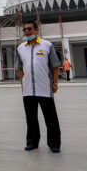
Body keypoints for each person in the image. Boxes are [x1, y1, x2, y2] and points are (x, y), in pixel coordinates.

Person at [16, 21, 61, 152]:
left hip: (45, 88)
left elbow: (55, 65)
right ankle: (32, 142)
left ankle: (54, 144)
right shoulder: (20, 48)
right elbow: (19, 68)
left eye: (29, 29)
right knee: (31, 118)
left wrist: (55, 82)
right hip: (28, 89)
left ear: (37, 30)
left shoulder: (47, 45)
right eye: (24, 30)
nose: (27, 32)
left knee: (50, 118)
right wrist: (22, 84)